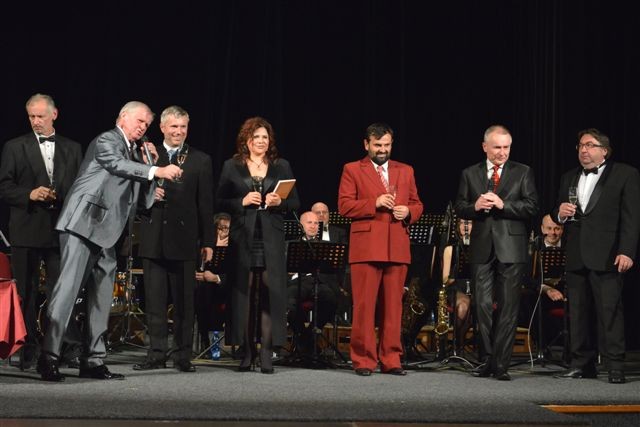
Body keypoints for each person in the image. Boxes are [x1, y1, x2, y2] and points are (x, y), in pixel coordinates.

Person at [36, 101, 183, 382]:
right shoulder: (107, 140)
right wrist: (156, 171)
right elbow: (116, 165)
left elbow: (143, 198)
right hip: (83, 225)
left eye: (146, 124)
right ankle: (49, 357)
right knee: (67, 293)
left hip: (109, 231)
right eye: (139, 121)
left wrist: (150, 166)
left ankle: (93, 360)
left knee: (101, 298)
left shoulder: (136, 152)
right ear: (123, 117)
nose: (143, 127)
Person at [0, 94, 83, 369]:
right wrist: (30, 194)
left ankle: (64, 347)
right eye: (31, 116)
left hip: (60, 230)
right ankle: (28, 349)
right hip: (26, 229)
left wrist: (62, 197)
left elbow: (81, 188)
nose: (36, 121)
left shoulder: (73, 148)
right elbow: (4, 187)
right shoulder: (14, 147)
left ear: (54, 115)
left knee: (62, 291)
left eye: (40, 116)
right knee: (26, 290)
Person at [552, 128, 640, 384]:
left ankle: (615, 366)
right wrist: (559, 214)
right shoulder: (569, 176)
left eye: (590, 145)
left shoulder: (625, 174)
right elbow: (558, 213)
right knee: (578, 313)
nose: (584, 150)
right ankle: (581, 364)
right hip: (577, 254)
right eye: (580, 145)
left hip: (608, 254)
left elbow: (632, 217)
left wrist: (627, 251)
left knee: (609, 312)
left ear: (605, 150)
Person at [454, 124, 539, 381]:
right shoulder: (470, 173)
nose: (502, 152)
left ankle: (501, 364)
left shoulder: (523, 172)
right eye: (497, 147)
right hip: (481, 247)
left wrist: (504, 204)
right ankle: (486, 359)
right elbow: (460, 206)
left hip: (511, 248)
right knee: (481, 305)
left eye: (506, 147)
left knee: (508, 308)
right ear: (485, 147)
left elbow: (532, 207)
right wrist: (474, 206)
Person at [133, 106, 214, 373]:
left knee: (184, 304)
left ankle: (182, 356)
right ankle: (156, 354)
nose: (179, 132)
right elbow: (130, 193)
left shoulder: (200, 160)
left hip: (185, 240)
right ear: (162, 128)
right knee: (155, 302)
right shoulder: (146, 154)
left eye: (183, 127)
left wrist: (208, 242)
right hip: (153, 238)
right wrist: (147, 197)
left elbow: (206, 204)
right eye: (174, 127)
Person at [338, 122, 423, 376]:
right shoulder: (352, 169)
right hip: (366, 247)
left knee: (394, 307)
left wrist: (409, 212)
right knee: (365, 307)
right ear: (366, 144)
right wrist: (373, 202)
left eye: (386, 145)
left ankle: (391, 359)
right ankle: (364, 360)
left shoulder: (405, 170)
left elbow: (417, 204)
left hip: (396, 246)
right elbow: (344, 206)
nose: (382, 150)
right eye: (377, 145)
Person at [216, 116, 300, 374]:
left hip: (271, 238)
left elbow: (295, 203)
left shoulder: (281, 165)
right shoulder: (232, 166)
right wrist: (241, 202)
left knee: (269, 294)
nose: (261, 141)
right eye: (256, 137)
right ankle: (246, 350)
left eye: (265, 137)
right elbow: (219, 201)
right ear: (247, 140)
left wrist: (279, 203)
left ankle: (266, 352)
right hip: (243, 238)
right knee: (244, 294)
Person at [286, 211, 339, 353]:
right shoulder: (289, 245)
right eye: (309, 222)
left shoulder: (326, 247)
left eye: (316, 223)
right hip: (297, 282)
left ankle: (307, 337)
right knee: (289, 302)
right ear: (301, 225)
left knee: (331, 299)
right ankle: (303, 336)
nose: (313, 226)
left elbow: (331, 270)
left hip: (317, 282)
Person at [194, 212, 231, 354]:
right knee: (203, 290)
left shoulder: (235, 245)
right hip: (205, 287)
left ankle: (214, 337)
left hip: (228, 287)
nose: (223, 232)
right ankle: (205, 339)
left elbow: (237, 273)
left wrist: (216, 278)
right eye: (220, 228)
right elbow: (198, 267)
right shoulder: (204, 245)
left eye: (227, 228)